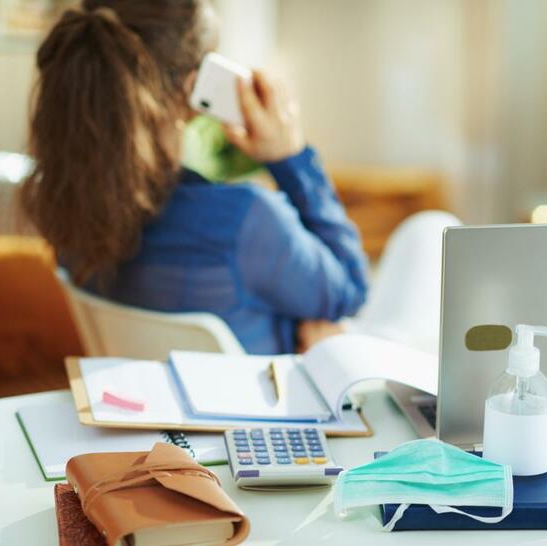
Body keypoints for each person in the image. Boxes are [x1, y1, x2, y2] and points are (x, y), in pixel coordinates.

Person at [20, 0, 369, 355]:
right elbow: (351, 290)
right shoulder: (246, 220)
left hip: (142, 404)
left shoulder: (66, 203)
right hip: (257, 405)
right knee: (423, 234)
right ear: (193, 88)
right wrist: (290, 157)